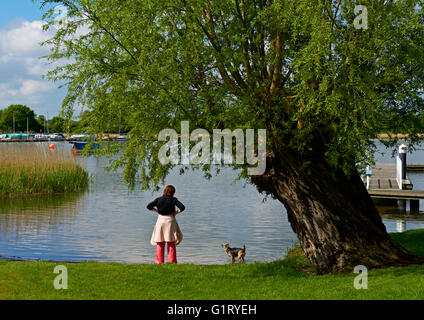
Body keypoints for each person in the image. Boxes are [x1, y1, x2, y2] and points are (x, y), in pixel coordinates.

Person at [147, 185, 185, 264]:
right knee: (171, 242)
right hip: (170, 221)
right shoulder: (173, 200)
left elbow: (149, 206)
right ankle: (172, 262)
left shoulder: (159, 199)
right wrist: (175, 213)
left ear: (164, 191)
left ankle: (159, 262)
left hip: (160, 221)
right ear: (173, 192)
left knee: (160, 242)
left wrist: (157, 211)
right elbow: (182, 207)